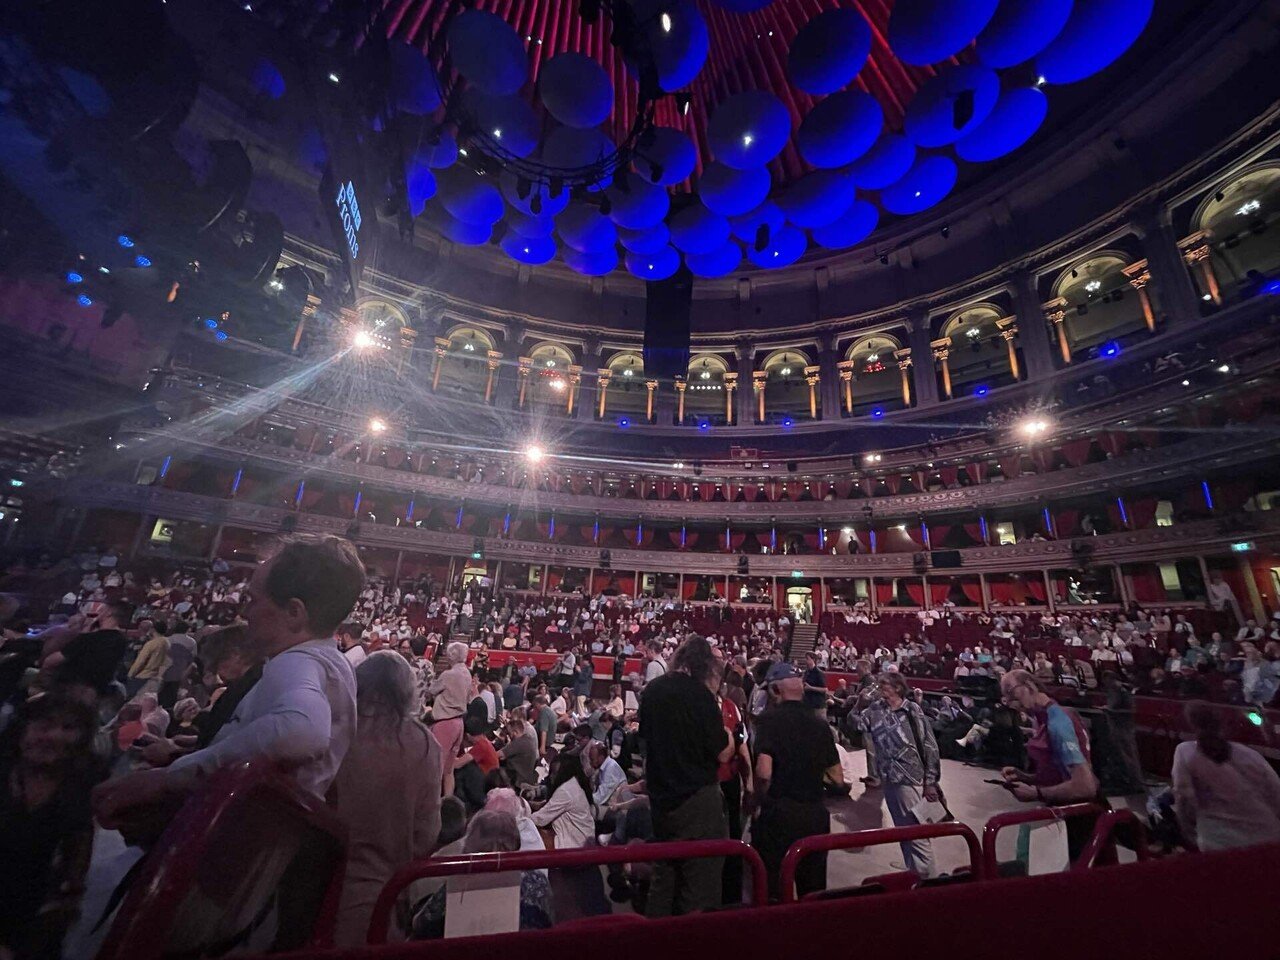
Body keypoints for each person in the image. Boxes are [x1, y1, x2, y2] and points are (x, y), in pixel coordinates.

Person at [93, 535, 366, 829]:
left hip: (232, 837)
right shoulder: (333, 662)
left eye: (253, 600)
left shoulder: (297, 661)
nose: (245, 613)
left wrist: (170, 777)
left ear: (293, 613)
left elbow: (301, 733)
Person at [332, 651, 443, 946]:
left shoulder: (333, 725)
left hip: (309, 886)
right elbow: (426, 835)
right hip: (379, 897)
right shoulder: (423, 745)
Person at [637, 635, 732, 916]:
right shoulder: (702, 696)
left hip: (662, 799)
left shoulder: (653, 691)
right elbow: (721, 753)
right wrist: (729, 735)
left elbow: (645, 741)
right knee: (699, 884)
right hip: (697, 800)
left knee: (663, 877)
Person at [0, 694, 101, 959]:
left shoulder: (77, 800)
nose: (54, 736)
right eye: (44, 725)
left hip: (22, 930)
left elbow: (69, 890)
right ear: (22, 730)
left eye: (68, 728)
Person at [750, 662, 845, 900]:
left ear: (774, 690)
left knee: (773, 890)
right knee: (812, 892)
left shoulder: (769, 721)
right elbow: (837, 778)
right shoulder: (820, 724)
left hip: (779, 815)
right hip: (814, 814)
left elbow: (764, 773)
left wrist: (756, 800)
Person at [998, 669, 1102, 861]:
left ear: (1029, 685)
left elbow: (1084, 786)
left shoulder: (1058, 722)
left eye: (1011, 693)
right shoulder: (1043, 718)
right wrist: (1026, 777)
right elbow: (1059, 773)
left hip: (1079, 819)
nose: (1011, 703)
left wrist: (1036, 793)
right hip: (1067, 813)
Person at [410, 811, 553, 938]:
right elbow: (549, 923)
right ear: (515, 840)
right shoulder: (537, 881)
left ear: (471, 842)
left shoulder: (459, 883)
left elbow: (421, 924)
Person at [855, 672, 942, 879]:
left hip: (910, 778)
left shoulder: (912, 710)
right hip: (888, 777)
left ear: (897, 688)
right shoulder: (875, 710)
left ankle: (929, 881)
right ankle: (914, 873)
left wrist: (930, 782)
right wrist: (859, 702)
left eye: (885, 685)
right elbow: (856, 724)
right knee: (904, 831)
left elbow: (930, 746)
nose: (880, 688)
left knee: (917, 833)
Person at [1171, 702, 1280, 851]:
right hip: (1267, 835)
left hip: (1219, 842)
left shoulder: (1184, 752)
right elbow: (1275, 792)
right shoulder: (1250, 754)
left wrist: (1187, 830)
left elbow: (1184, 798)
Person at [426, 642, 472, 798]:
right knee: (449, 769)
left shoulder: (448, 675)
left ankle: (431, 802)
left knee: (435, 766)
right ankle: (448, 801)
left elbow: (431, 690)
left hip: (446, 723)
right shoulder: (467, 673)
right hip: (459, 723)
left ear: (451, 655)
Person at [530, 753, 595, 849]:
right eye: (551, 772)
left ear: (564, 773)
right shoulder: (573, 784)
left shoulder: (565, 790)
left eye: (555, 773)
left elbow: (541, 819)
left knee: (532, 835)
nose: (551, 776)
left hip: (575, 843)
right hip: (580, 838)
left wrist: (521, 820)